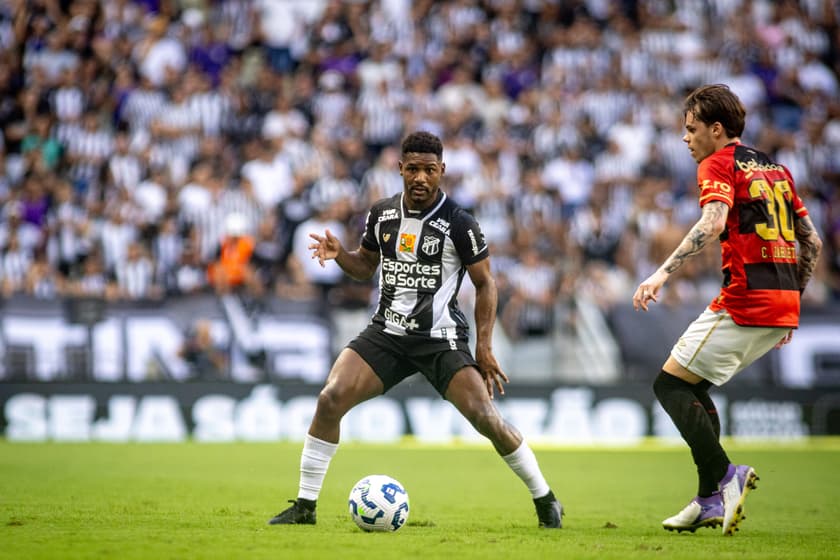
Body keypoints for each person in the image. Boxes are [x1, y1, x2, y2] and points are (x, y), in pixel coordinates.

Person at [268, 131, 563, 529]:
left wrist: (485, 347)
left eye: (429, 170)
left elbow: (486, 283)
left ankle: (545, 499)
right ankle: (304, 507)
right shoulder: (382, 214)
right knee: (330, 397)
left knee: (485, 417)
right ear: (400, 169)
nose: (420, 178)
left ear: (442, 170)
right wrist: (341, 256)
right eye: (412, 169)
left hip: (440, 340)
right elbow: (364, 267)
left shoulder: (460, 223)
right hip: (387, 334)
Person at [632, 84, 822, 536]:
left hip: (745, 297)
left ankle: (724, 476)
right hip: (781, 301)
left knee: (669, 385)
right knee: (694, 389)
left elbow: (713, 221)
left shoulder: (718, 164)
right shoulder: (777, 169)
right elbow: (810, 239)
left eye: (691, 129)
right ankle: (708, 501)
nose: (685, 138)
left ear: (717, 130)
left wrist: (661, 273)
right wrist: (793, 297)